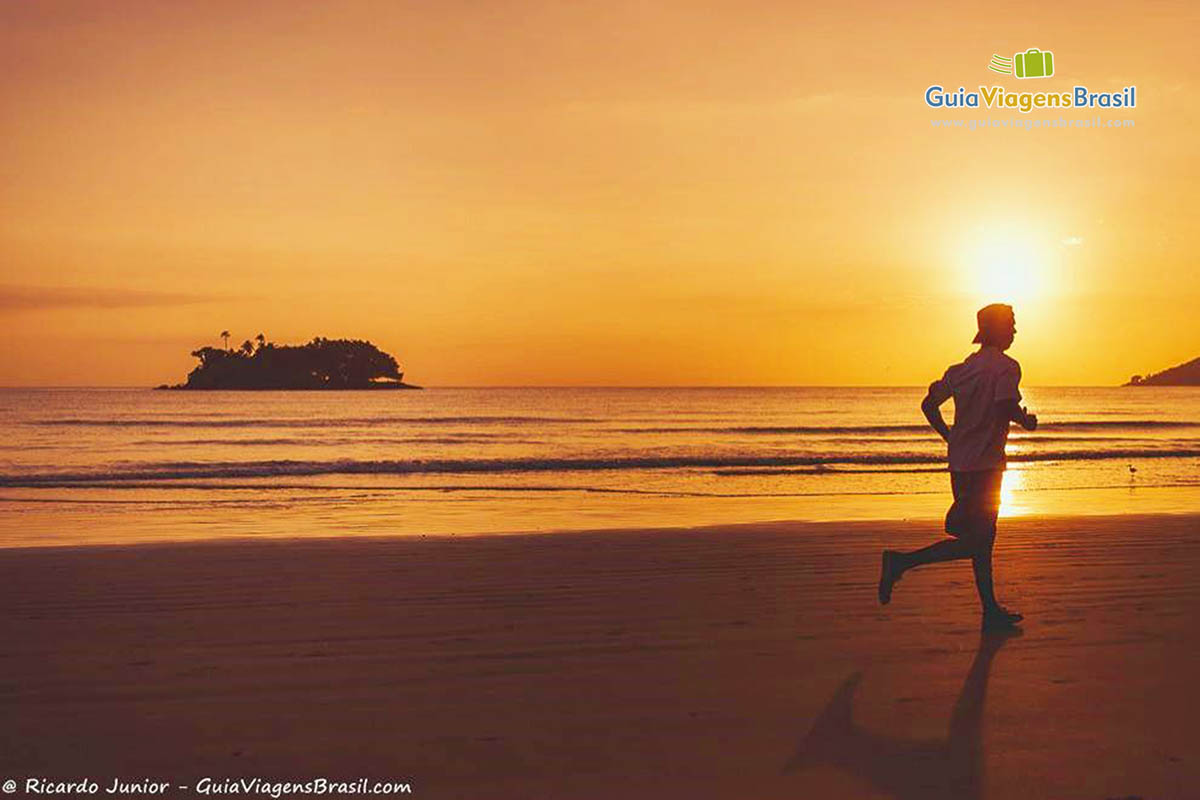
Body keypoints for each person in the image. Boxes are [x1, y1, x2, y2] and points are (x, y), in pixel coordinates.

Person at [878, 303, 1037, 632]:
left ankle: (990, 611)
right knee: (978, 541)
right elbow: (1005, 404)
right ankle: (901, 562)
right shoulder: (1007, 368)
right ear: (994, 329)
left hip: (961, 465)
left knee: (982, 539)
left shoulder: (961, 370)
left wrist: (949, 437)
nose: (1015, 331)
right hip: (987, 467)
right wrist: (1027, 421)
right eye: (1011, 324)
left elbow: (928, 404)